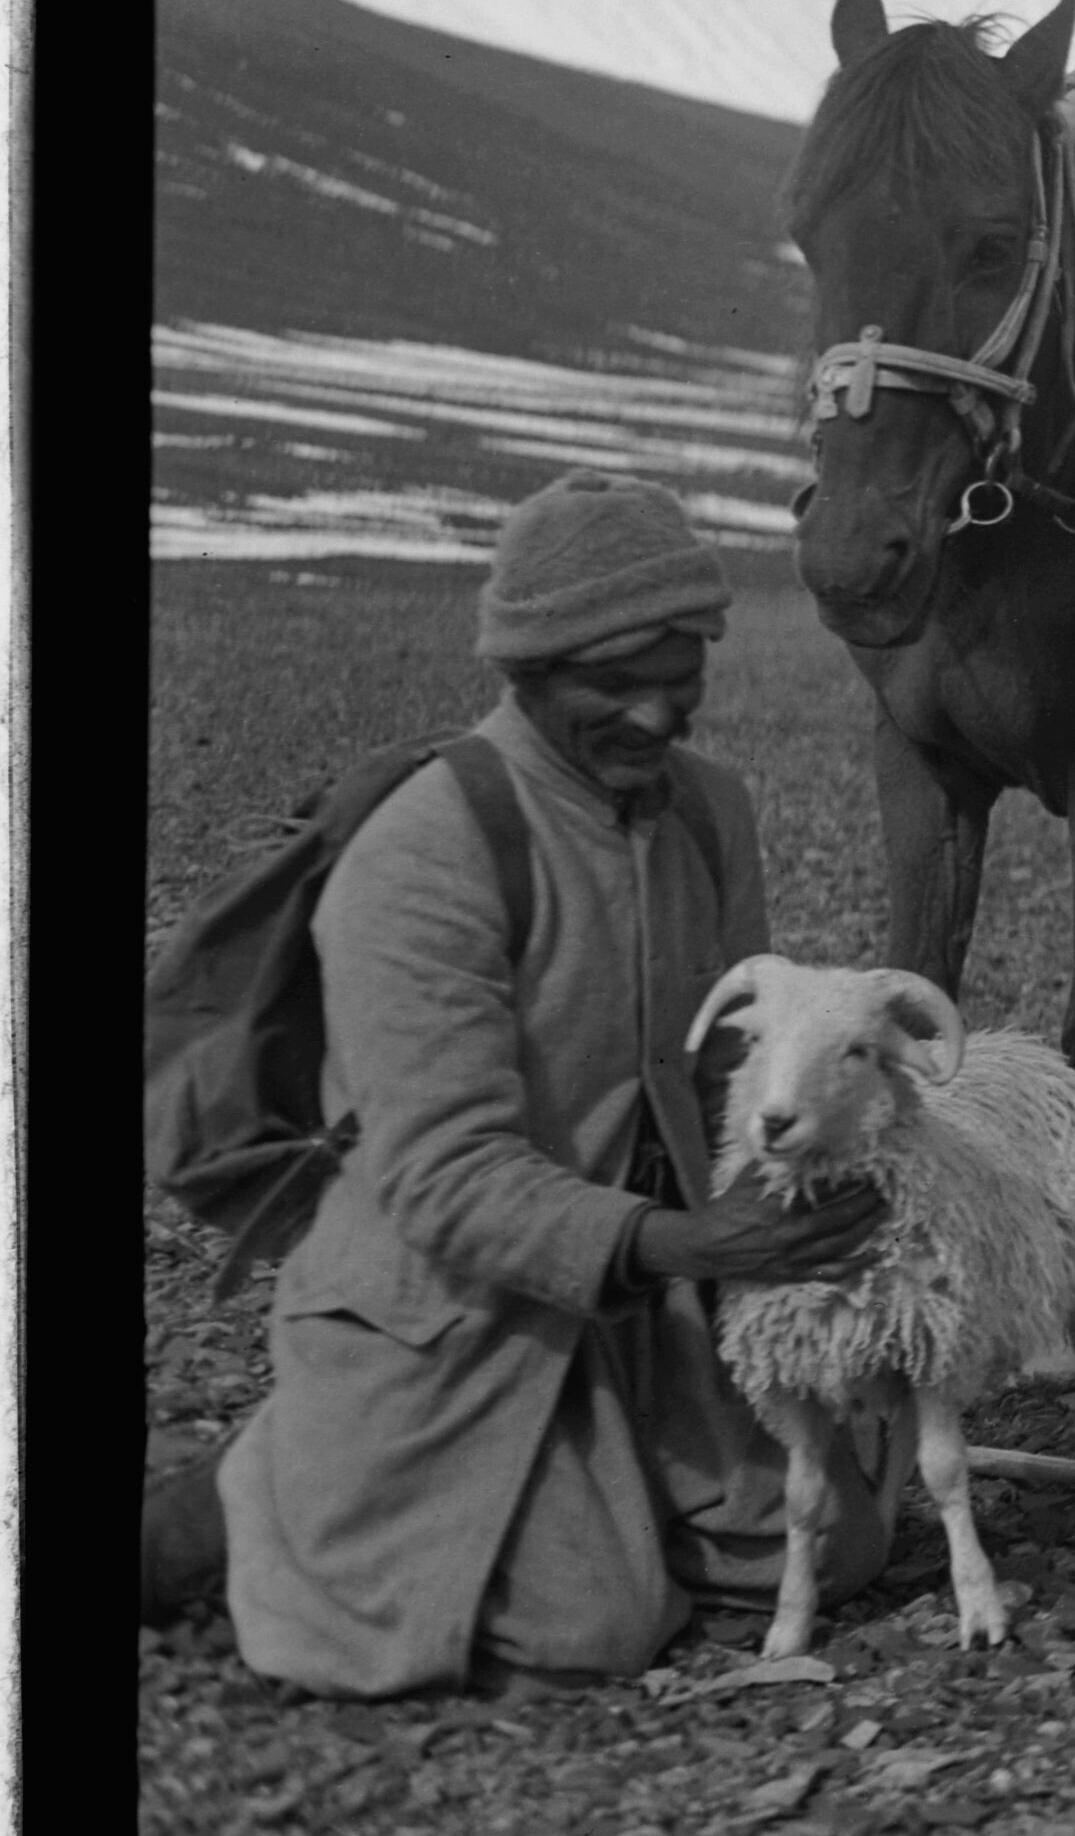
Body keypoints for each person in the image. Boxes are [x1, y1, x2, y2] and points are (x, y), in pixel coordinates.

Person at [158, 473, 896, 1695]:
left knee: (837, 1547)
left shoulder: (709, 810)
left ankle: (596, 1473)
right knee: (587, 1627)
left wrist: (819, 1191)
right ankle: (252, 1491)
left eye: (681, 675)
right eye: (615, 683)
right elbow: (445, 1176)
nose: (657, 713)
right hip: (459, 1293)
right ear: (528, 670)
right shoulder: (426, 845)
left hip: (651, 1291)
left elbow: (735, 1065)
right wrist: (687, 1242)